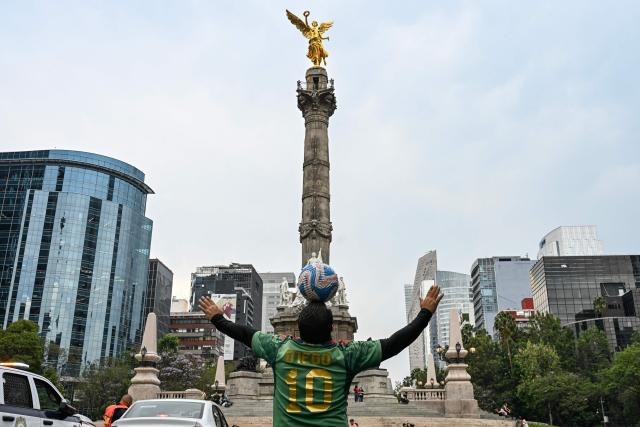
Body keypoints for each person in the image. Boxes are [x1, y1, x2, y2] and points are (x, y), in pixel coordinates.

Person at [199, 284, 443, 426]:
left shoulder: (280, 349)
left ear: (297, 330)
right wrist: (425, 314)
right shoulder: (347, 355)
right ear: (331, 329)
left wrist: (217, 318)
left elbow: (244, 333)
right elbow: (393, 344)